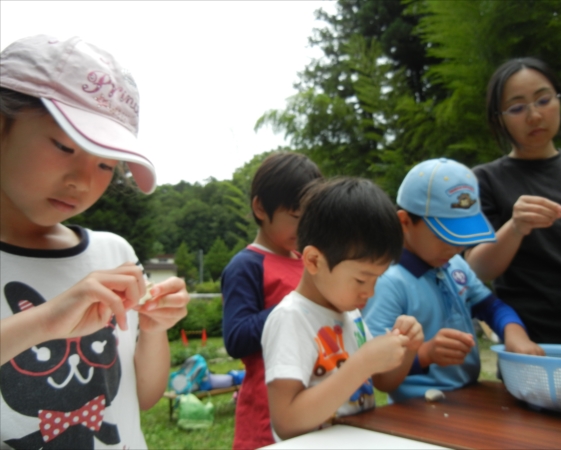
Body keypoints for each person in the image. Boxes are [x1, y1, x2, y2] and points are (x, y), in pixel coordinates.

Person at [0, 35, 189, 449]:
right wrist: (48, 320)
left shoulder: (113, 254)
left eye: (106, 164)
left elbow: (140, 398)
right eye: (65, 146)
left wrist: (155, 330)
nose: (83, 181)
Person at [362, 158, 543, 402]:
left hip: (468, 396)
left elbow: (492, 307)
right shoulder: (386, 282)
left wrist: (515, 333)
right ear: (404, 222)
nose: (457, 246)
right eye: (445, 235)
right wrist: (426, 354)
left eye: (463, 235)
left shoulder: (454, 264)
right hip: (415, 408)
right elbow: (376, 370)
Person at [262, 177, 423, 441]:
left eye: (377, 279)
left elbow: (383, 382)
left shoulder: (349, 312)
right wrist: (361, 364)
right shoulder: (291, 319)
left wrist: (407, 350)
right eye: (361, 279)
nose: (369, 292)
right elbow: (286, 422)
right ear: (314, 260)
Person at [465, 57, 561, 347]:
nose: (535, 116)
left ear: (558, 100)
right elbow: (477, 270)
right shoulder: (484, 180)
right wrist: (515, 227)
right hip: (531, 346)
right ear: (498, 118)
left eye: (543, 100)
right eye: (516, 108)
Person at [221, 151, 322, 449]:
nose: (305, 230)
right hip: (266, 421)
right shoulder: (247, 266)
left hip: (317, 409)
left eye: (311, 220)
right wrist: (300, 302)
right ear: (261, 207)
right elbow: (236, 338)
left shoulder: (308, 260)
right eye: (295, 218)